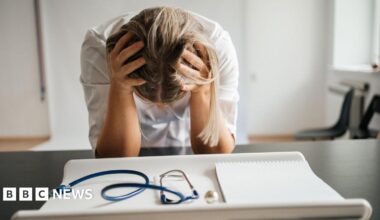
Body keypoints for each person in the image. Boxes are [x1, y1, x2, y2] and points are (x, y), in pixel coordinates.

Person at [80, 7, 239, 157]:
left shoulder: (217, 48)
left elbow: (216, 153)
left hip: (187, 138)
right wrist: (120, 88)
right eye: (148, 101)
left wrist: (203, 91)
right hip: (127, 135)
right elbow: (116, 159)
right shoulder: (100, 48)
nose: (160, 107)